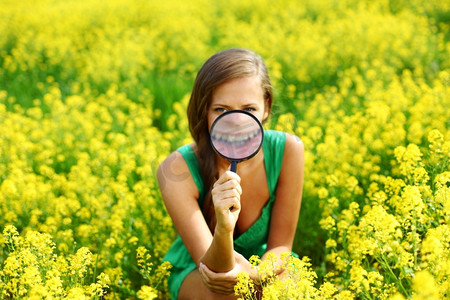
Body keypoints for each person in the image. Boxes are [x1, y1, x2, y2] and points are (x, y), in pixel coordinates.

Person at [157, 48, 304, 299]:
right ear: (204, 111)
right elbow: (215, 274)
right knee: (230, 295)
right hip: (201, 270)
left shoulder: (289, 150)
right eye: (221, 110)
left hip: (264, 265)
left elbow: (280, 245)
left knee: (290, 287)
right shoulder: (176, 169)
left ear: (266, 107)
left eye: (248, 109)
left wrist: (254, 276)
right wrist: (223, 228)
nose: (236, 122)